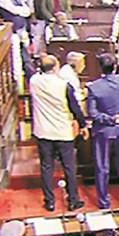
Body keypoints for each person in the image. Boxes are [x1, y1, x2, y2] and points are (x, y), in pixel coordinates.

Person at [29, 55, 86, 212]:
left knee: (46, 167)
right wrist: (82, 125)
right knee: (69, 167)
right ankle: (73, 200)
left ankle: (49, 201)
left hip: (43, 131)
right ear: (55, 68)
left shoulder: (34, 81)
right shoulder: (64, 85)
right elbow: (75, 108)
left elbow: (31, 69)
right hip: (62, 131)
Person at [86, 54, 119, 209]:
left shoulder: (93, 87)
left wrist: (110, 119)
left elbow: (92, 113)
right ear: (115, 66)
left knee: (102, 167)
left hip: (103, 130)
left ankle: (104, 202)